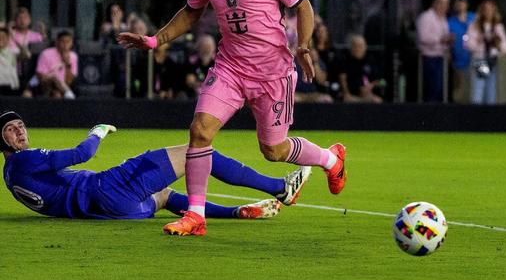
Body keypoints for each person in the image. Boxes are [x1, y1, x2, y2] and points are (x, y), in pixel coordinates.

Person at [117, 0, 346, 237]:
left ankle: (330, 159)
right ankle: (196, 216)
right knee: (200, 130)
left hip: (272, 73)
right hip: (230, 69)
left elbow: (303, 6)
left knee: (274, 150)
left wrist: (304, 47)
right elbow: (191, 12)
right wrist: (155, 40)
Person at [1, 112, 310, 221]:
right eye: (10, 130)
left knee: (164, 196)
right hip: (106, 189)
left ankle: (235, 212)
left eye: (20, 125)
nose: (20, 130)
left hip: (111, 212)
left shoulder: (10, 174)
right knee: (199, 152)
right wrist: (98, 130)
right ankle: (280, 188)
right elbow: (83, 153)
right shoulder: (24, 159)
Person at [465, 0, 506, 105]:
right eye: (486, 9)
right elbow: (468, 44)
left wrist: (498, 43)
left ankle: (490, 113)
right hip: (481, 60)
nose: (488, 12)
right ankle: (476, 112)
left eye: (490, 9)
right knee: (479, 88)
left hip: (493, 61)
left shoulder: (498, 27)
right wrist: (479, 41)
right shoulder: (475, 26)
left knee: (491, 91)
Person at [416, 0, 452, 103]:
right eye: (441, 3)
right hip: (429, 57)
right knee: (432, 89)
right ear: (434, 3)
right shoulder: (426, 17)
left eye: (446, 4)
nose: (444, 6)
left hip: (441, 57)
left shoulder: (443, 19)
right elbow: (423, 37)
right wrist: (441, 40)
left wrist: (448, 41)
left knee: (440, 89)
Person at [447, 0, 475, 103]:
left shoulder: (474, 18)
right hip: (458, 61)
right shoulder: (450, 21)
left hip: (476, 59)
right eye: (457, 3)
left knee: (476, 88)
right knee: (459, 90)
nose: (460, 5)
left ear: (466, 4)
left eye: (462, 2)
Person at [35, 30, 78, 99]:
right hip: (46, 84)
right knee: (54, 79)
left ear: (72, 43)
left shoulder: (73, 56)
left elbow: (69, 81)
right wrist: (53, 80)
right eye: (62, 41)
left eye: (68, 42)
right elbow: (40, 75)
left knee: (57, 94)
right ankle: (69, 95)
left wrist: (67, 64)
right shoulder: (46, 53)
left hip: (63, 86)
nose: (65, 45)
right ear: (57, 42)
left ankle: (68, 94)